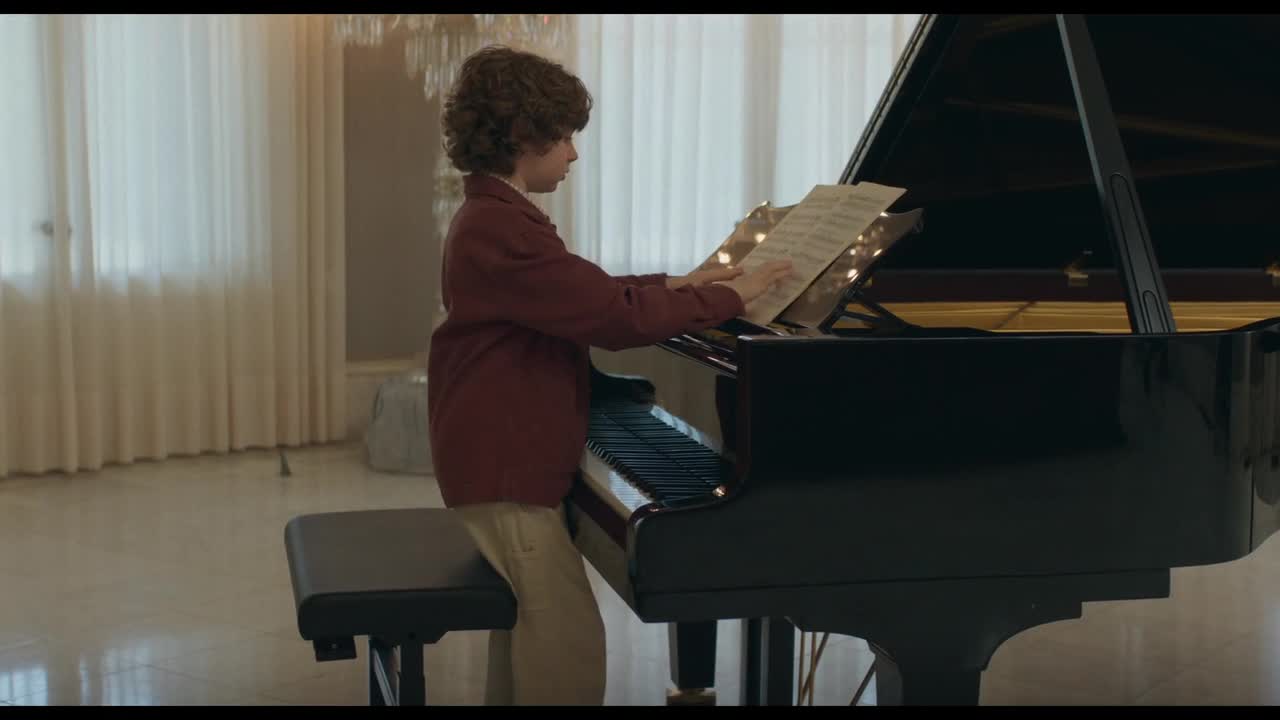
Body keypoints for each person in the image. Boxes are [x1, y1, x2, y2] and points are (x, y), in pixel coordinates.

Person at [427, 45, 793, 706]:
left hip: (497, 458)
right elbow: (612, 317)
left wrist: (676, 283)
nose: (573, 154)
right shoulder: (503, 227)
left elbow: (580, 290)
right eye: (565, 137)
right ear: (523, 136)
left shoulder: (495, 216)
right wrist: (731, 296)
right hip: (506, 468)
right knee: (564, 644)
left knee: (534, 632)